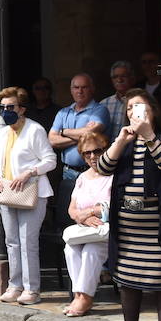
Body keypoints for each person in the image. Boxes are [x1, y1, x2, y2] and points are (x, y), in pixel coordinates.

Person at [99, 89, 161, 321]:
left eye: (139, 106)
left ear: (152, 111)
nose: (133, 112)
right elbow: (103, 167)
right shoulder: (124, 141)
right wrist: (121, 141)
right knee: (127, 281)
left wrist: (148, 136)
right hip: (128, 228)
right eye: (129, 108)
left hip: (158, 228)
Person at [0, 87, 57, 305]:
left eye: (10, 107)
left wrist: (30, 172)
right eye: (3, 107)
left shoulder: (35, 130)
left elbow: (50, 160)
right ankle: (14, 285)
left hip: (32, 193)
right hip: (7, 192)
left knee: (27, 241)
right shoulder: (3, 132)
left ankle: (32, 289)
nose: (6, 111)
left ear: (22, 109)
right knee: (12, 241)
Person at [50, 74, 112, 230]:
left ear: (92, 89)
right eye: (76, 87)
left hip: (93, 171)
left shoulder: (100, 110)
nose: (80, 91)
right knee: (68, 216)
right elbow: (51, 140)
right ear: (71, 90)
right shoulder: (63, 112)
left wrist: (63, 131)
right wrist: (82, 137)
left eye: (84, 87)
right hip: (69, 172)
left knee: (93, 217)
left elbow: (94, 132)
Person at [64, 132, 113, 317]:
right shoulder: (82, 178)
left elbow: (111, 207)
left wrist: (90, 212)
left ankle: (84, 298)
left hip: (104, 231)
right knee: (70, 249)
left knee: (91, 250)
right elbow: (72, 209)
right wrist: (83, 217)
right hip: (84, 229)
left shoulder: (112, 175)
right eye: (87, 153)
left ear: (106, 150)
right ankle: (79, 295)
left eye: (97, 151)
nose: (93, 157)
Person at [101, 60, 135, 132]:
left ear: (131, 78)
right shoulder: (104, 104)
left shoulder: (140, 102)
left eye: (124, 76)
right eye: (115, 77)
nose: (119, 80)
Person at [137, 51, 161, 115]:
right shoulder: (138, 87)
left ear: (159, 63)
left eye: (151, 62)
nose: (147, 65)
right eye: (144, 62)